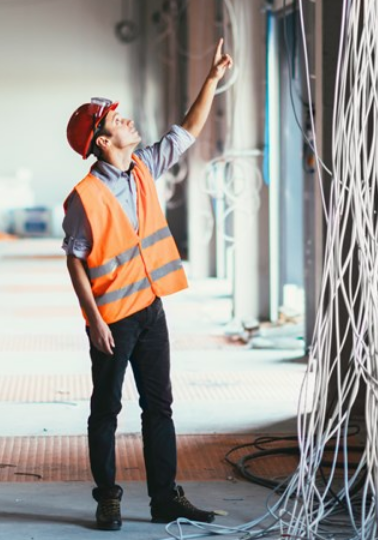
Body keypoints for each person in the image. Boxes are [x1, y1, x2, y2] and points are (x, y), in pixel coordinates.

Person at [62, 39, 233, 530]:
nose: (128, 121)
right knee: (106, 412)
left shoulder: (142, 169)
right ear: (100, 140)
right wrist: (94, 320)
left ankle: (164, 499)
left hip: (151, 311)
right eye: (117, 120)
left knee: (159, 407)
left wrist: (212, 79)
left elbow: (188, 130)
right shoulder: (85, 196)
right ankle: (108, 499)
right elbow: (73, 262)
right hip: (112, 321)